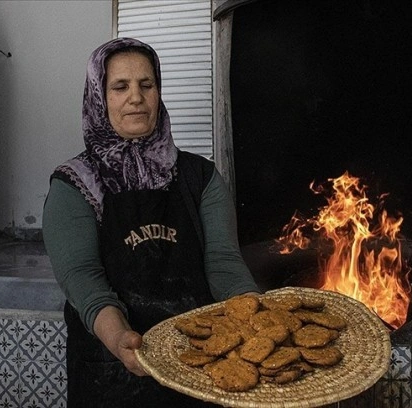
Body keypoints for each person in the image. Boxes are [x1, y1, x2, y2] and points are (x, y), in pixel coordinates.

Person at [42, 37, 261, 407]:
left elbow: (224, 264)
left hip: (199, 363)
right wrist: (119, 338)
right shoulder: (75, 184)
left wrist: (257, 320)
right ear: (99, 96)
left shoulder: (200, 177)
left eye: (147, 84)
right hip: (112, 369)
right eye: (120, 86)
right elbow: (84, 281)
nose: (136, 97)